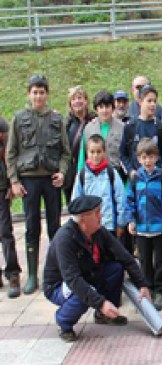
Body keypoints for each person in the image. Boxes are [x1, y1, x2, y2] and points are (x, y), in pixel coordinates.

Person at [43, 195, 150, 342]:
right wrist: (101, 303)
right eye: (97, 213)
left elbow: (124, 256)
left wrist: (142, 284)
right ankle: (63, 322)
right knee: (82, 295)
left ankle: (104, 316)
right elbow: (73, 280)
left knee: (116, 269)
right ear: (82, 219)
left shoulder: (99, 231)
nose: (101, 215)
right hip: (59, 285)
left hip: (87, 274)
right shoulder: (65, 239)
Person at [7, 75, 71, 295]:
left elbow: (65, 152)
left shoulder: (57, 119)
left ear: (47, 94)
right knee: (32, 227)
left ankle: (54, 272)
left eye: (42, 92)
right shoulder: (19, 118)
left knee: (55, 227)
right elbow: (11, 153)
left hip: (51, 180)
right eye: (34, 92)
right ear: (29, 94)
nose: (38, 96)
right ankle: (33, 275)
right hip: (29, 181)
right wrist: (14, 181)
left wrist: (62, 173)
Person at [125, 138, 162, 310]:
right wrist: (131, 220)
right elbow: (129, 200)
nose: (147, 161)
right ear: (139, 159)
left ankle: (161, 290)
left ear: (156, 157)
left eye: (151, 157)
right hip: (141, 229)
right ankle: (149, 289)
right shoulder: (135, 178)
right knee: (144, 261)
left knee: (161, 260)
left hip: (159, 227)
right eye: (144, 157)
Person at [72, 134, 126, 238]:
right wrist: (77, 223)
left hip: (109, 226)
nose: (95, 155)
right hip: (89, 227)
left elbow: (121, 199)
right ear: (87, 153)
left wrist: (121, 223)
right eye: (92, 152)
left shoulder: (112, 173)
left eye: (98, 152)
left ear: (104, 152)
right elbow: (76, 200)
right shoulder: (82, 175)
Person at [119, 84, 162, 180]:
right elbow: (122, 154)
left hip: (157, 182)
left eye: (154, 101)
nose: (153, 104)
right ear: (140, 101)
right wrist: (131, 171)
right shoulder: (130, 126)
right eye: (149, 101)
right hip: (137, 183)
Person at [77, 91, 125, 180]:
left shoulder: (122, 128)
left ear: (113, 108)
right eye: (101, 107)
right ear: (96, 109)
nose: (104, 110)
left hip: (116, 176)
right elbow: (82, 155)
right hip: (94, 176)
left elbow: (127, 155)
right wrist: (80, 175)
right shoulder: (89, 128)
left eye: (107, 107)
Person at [0, 117, 22, 298]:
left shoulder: (2, 125)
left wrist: (10, 183)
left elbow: (9, 155)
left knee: (5, 232)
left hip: (1, 188)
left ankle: (13, 273)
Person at [63, 85, 96, 203]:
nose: (77, 101)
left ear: (86, 100)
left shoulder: (94, 120)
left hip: (91, 170)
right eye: (74, 99)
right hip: (71, 174)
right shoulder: (66, 123)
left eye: (80, 98)